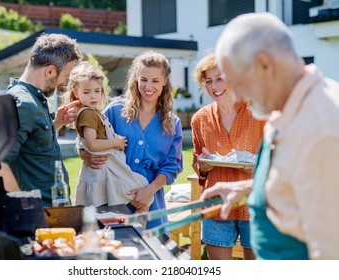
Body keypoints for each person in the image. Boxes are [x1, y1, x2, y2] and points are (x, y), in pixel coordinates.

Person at [200, 12, 339, 260]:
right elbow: (303, 183)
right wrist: (250, 187)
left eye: (238, 82)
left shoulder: (322, 128)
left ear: (264, 63)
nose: (238, 95)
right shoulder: (288, 108)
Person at [79, 50, 183, 229]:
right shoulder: (114, 111)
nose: (148, 86)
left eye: (155, 81)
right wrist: (86, 156)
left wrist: (148, 193)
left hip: (150, 202)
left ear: (165, 82)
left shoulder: (172, 122)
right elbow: (87, 141)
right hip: (111, 196)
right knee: (112, 249)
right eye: (143, 79)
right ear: (135, 79)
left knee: (151, 250)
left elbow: (172, 165)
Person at [191, 52, 265, 260]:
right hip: (216, 206)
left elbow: (276, 157)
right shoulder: (200, 119)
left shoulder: (259, 112)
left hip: (254, 205)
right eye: (208, 81)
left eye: (220, 78)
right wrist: (203, 166)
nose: (215, 86)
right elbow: (197, 162)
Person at [0, 33, 82, 207]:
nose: (64, 83)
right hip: (39, 214)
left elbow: (32, 144)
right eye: (65, 76)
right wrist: (26, 210)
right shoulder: (23, 104)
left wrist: (57, 122)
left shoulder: (34, 98)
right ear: (50, 70)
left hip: (53, 209)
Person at [64, 61, 151, 213]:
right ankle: (140, 230)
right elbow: (92, 144)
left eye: (97, 91)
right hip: (105, 169)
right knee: (141, 190)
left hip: (107, 169)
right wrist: (115, 142)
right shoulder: (88, 113)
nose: (93, 96)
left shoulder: (94, 112)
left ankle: (137, 228)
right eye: (86, 92)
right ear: (75, 93)